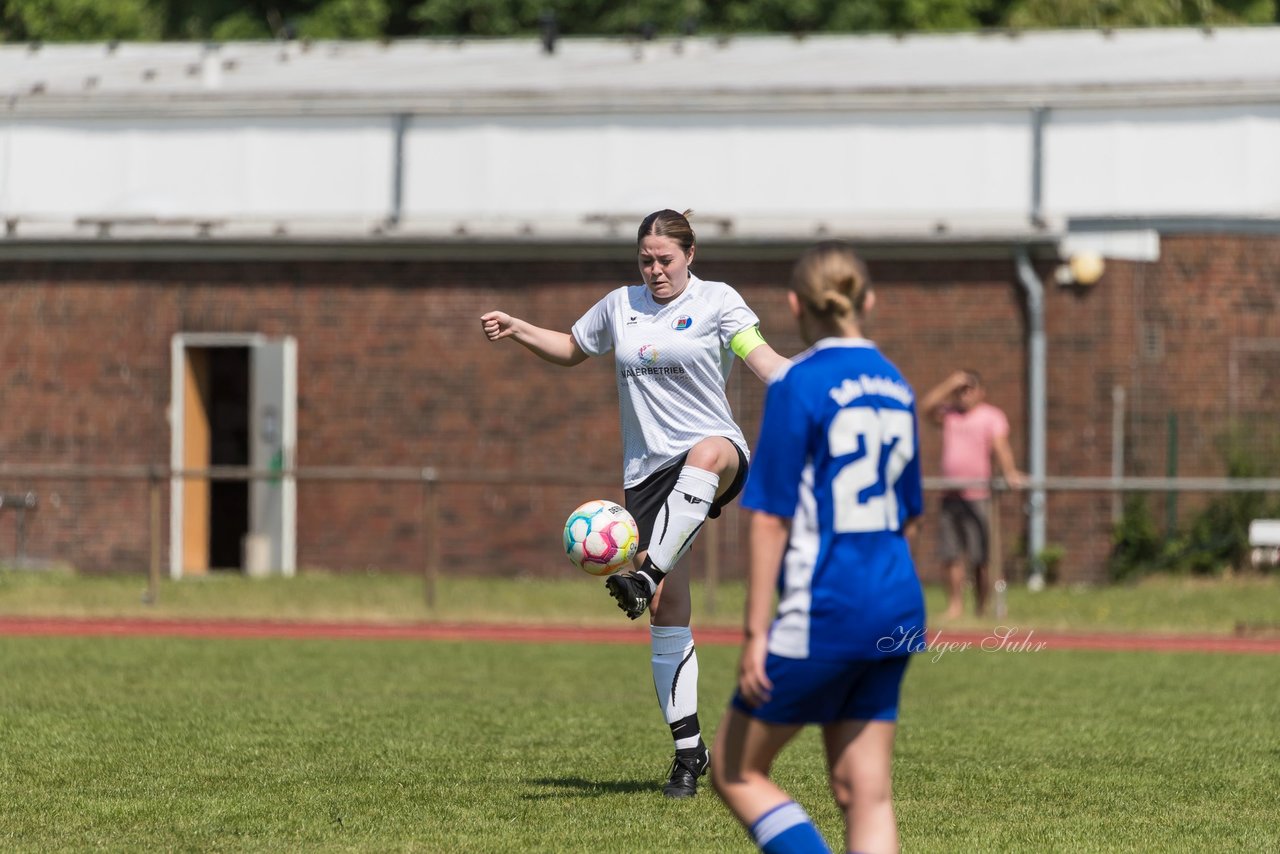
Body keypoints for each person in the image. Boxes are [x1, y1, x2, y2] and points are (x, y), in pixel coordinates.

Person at [480, 209, 789, 798]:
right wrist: (520, 328)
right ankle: (689, 752)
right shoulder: (619, 305)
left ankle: (644, 575)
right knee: (670, 613)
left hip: (713, 452)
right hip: (646, 472)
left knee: (707, 454)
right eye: (645, 260)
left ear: (689, 255)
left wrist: (812, 380)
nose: (654, 270)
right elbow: (573, 347)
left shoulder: (720, 301)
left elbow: (763, 358)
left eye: (664, 259)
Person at [712, 241, 926, 854]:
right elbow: (910, 516)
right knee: (865, 791)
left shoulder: (798, 384)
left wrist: (756, 634)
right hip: (899, 605)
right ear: (869, 301)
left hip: (828, 607)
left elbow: (771, 519)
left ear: (793, 304)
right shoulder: (896, 384)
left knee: (735, 770)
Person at [919, 369, 1025, 619]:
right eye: (960, 391)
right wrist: (950, 383)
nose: (964, 395)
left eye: (968, 389)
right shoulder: (949, 415)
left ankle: (981, 608)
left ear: (981, 392)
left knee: (982, 557)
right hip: (950, 496)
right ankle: (955, 606)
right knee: (951, 554)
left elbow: (1000, 445)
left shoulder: (991, 416)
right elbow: (925, 407)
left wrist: (1009, 471)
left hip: (979, 496)